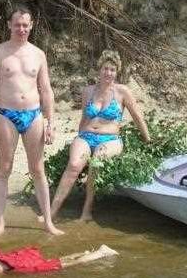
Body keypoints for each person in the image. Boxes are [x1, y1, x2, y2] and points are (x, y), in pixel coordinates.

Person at [0, 5, 64, 236]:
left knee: (37, 169)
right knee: (4, 168)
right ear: (9, 25)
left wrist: (51, 122)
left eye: (25, 25)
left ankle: (48, 221)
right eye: (17, 24)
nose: (21, 29)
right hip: (7, 114)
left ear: (31, 25)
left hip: (34, 114)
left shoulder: (38, 54)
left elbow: (46, 90)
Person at [50, 50, 150, 222]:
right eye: (105, 68)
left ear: (116, 72)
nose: (108, 73)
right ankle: (51, 212)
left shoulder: (122, 92)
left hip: (110, 140)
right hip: (86, 136)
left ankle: (86, 211)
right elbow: (84, 118)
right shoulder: (88, 91)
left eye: (112, 69)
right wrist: (78, 138)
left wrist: (148, 139)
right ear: (99, 69)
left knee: (95, 162)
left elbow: (137, 117)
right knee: (74, 165)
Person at [0, 225, 117, 275]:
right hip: (18, 260)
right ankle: (85, 252)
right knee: (58, 260)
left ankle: (101, 252)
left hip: (27, 267)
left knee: (65, 265)